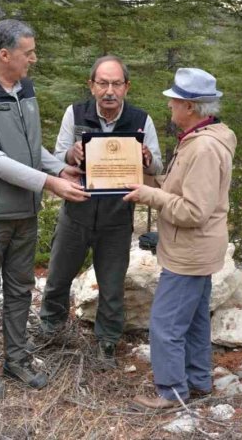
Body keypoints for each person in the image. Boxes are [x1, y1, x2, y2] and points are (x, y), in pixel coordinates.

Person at [0, 19, 90, 399]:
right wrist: (51, 183)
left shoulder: (25, 87)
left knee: (20, 289)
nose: (34, 58)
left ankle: (17, 358)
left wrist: (57, 166)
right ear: (4, 54)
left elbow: (30, 149)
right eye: (28, 53)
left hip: (23, 212)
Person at [38, 56, 163, 367]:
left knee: (111, 283)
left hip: (117, 214)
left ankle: (107, 342)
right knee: (58, 275)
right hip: (77, 208)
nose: (110, 91)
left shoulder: (140, 119)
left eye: (116, 84)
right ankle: (51, 330)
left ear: (126, 87)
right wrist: (71, 153)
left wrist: (146, 157)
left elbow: (159, 165)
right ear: (91, 85)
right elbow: (56, 156)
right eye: (103, 83)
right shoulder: (75, 113)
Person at [123, 68, 236, 410]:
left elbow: (193, 212)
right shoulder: (204, 138)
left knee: (166, 323)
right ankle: (199, 381)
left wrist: (149, 195)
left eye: (174, 100)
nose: (169, 106)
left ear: (189, 106)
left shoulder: (202, 148)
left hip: (190, 252)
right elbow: (181, 190)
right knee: (196, 319)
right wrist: (151, 175)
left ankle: (171, 390)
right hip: (198, 249)